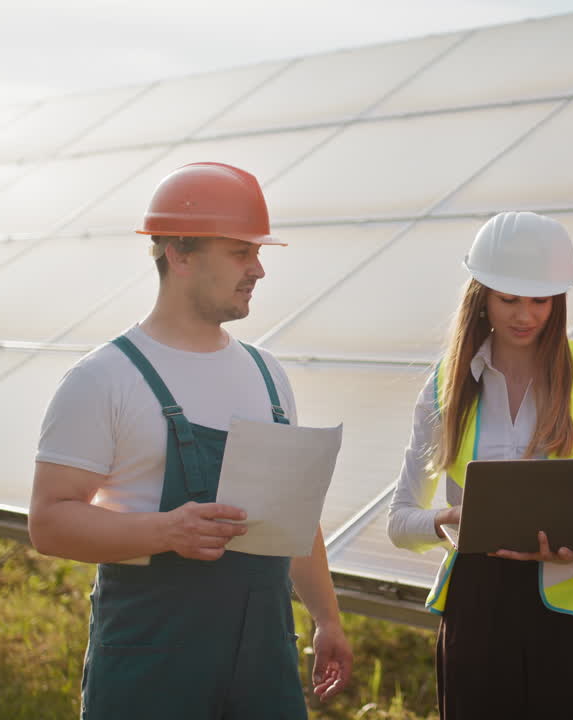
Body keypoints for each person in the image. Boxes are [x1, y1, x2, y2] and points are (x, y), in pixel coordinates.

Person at [27, 162, 354, 719]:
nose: (258, 269)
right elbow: (49, 522)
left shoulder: (268, 376)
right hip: (151, 667)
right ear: (179, 254)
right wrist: (166, 531)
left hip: (263, 666)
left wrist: (326, 618)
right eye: (240, 252)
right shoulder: (104, 379)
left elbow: (294, 518)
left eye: (258, 252)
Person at [387, 211, 573, 719]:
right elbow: (400, 522)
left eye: (540, 300)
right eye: (509, 299)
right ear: (481, 296)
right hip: (478, 614)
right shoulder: (445, 385)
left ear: (558, 300)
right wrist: (448, 520)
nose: (525, 315)